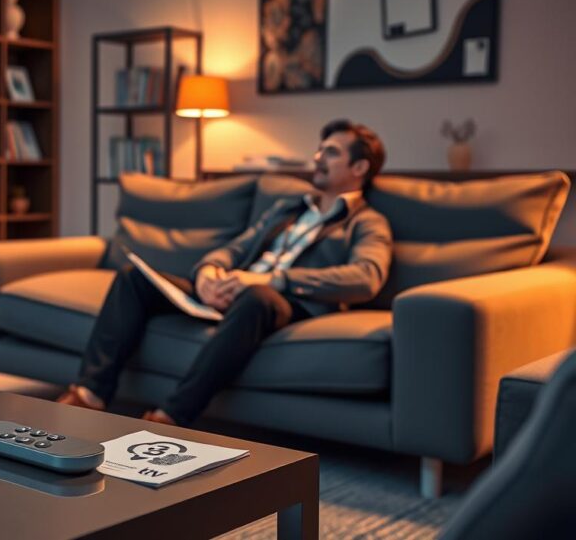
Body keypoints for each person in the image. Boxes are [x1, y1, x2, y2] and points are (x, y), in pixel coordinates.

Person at [57, 119, 393, 426]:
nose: (317, 157)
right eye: (320, 149)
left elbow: (366, 277)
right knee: (133, 278)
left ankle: (171, 416)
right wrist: (209, 271)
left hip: (280, 301)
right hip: (235, 290)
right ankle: (90, 393)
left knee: (257, 297)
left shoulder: (367, 222)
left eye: (331, 153)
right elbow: (236, 247)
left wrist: (273, 280)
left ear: (359, 167)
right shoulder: (288, 208)